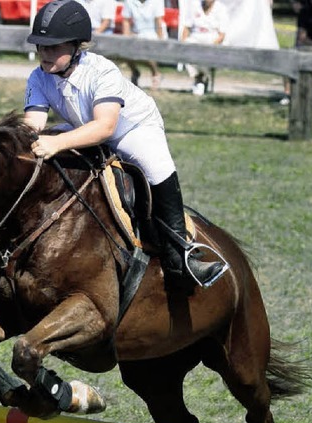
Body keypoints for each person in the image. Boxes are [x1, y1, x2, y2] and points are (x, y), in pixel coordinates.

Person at [23, 0, 226, 291]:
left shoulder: (102, 71)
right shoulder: (38, 76)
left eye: (53, 47)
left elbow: (105, 127)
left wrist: (56, 143)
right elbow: (34, 124)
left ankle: (182, 255)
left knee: (157, 169)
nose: (44, 54)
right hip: (82, 126)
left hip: (131, 127)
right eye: (41, 47)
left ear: (76, 46)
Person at [180, 0, 229, 96]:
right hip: (195, 37)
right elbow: (187, 27)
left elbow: (222, 35)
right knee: (188, 48)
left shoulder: (221, 9)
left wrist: (211, 45)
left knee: (206, 53)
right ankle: (200, 78)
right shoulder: (194, 6)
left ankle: (201, 79)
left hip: (212, 39)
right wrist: (183, 44)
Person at [121, 0, 166, 90]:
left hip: (153, 34)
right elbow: (125, 20)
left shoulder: (157, 1)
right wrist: (126, 38)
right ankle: (135, 72)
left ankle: (155, 74)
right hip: (136, 34)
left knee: (147, 53)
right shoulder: (129, 1)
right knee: (124, 52)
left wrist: (160, 40)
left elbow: (158, 22)